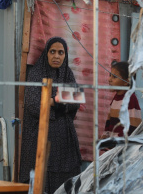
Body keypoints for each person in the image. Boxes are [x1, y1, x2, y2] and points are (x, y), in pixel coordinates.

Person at [19, 36, 82, 194]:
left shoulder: (67, 74)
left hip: (64, 142)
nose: (56, 56)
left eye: (61, 52)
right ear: (46, 53)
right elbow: (34, 105)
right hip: (40, 139)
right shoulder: (36, 73)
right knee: (42, 179)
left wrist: (52, 100)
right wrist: (62, 102)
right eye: (52, 52)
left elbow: (77, 99)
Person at [102, 61, 142, 139]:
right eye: (110, 75)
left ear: (126, 81)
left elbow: (133, 126)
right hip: (112, 145)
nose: (109, 79)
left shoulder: (130, 99)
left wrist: (117, 141)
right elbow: (109, 120)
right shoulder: (116, 98)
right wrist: (105, 136)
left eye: (114, 77)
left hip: (122, 146)